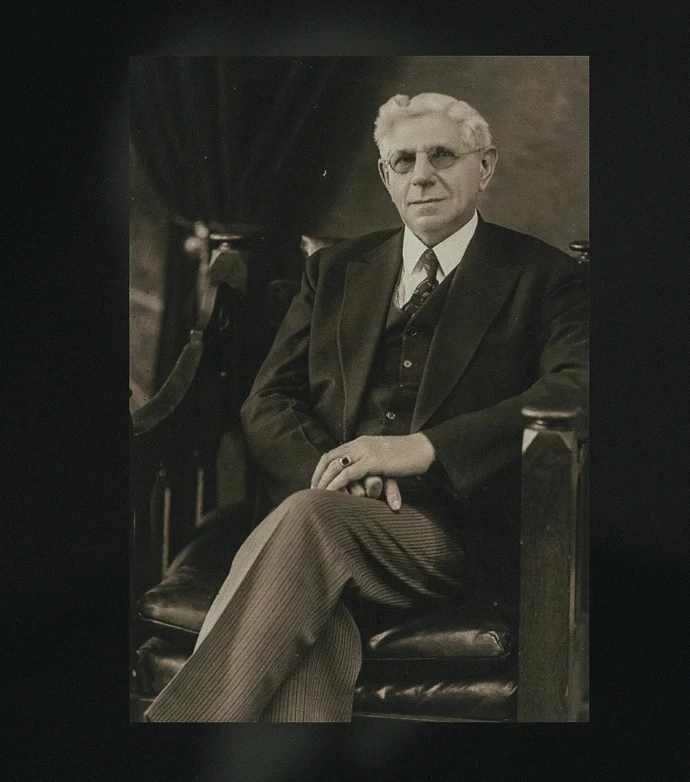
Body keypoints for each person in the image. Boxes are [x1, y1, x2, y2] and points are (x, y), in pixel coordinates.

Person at [143, 92, 588, 722]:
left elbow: (575, 386)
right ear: (385, 175)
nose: (422, 175)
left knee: (311, 522)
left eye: (442, 156)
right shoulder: (333, 270)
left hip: (447, 532)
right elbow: (269, 398)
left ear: (485, 166)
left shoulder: (544, 277)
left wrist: (422, 449)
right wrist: (340, 471)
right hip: (321, 516)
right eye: (404, 161)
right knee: (313, 597)